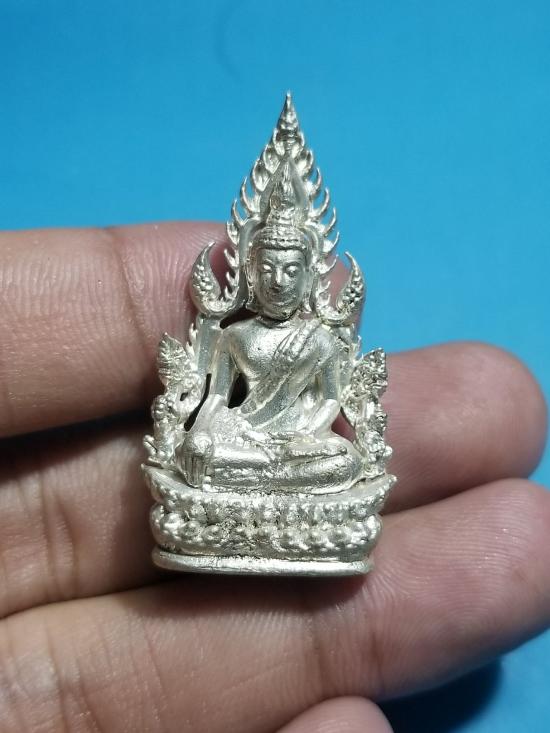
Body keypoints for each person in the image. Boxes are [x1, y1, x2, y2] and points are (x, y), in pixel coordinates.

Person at [0, 220, 548, 732]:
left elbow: (329, 405)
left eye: (291, 269)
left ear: (310, 277)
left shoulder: (322, 341)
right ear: (249, 274)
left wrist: (306, 435)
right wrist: (208, 435)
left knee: (341, 461)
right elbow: (215, 401)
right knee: (201, 452)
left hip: (302, 450)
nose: (279, 280)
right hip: (242, 442)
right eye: (267, 269)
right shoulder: (234, 336)